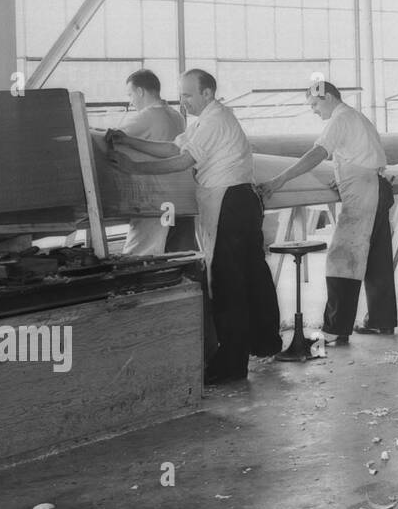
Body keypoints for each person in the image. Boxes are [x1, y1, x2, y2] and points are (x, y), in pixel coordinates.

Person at [108, 69, 281, 384]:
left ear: (207, 94)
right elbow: (175, 149)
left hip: (229, 201)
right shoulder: (204, 120)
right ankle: (264, 341)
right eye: (181, 94)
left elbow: (182, 162)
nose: (182, 101)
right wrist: (128, 140)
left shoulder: (214, 120)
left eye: (188, 95)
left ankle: (232, 364)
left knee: (229, 284)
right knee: (253, 277)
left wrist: (135, 167)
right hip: (238, 201)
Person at [258, 82, 397, 345]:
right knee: (377, 258)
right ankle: (382, 321)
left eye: (314, 104)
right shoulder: (355, 116)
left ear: (329, 97)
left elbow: (317, 154)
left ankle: (336, 329)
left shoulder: (339, 119)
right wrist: (343, 176)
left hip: (365, 192)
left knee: (342, 259)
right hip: (375, 185)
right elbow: (361, 156)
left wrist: (278, 181)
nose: (313, 110)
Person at [117, 70, 185, 256]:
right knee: (175, 252)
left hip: (153, 197)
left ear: (140, 91)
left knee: (140, 253)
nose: (131, 101)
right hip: (179, 197)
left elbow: (113, 138)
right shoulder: (177, 116)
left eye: (130, 95)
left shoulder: (146, 116)